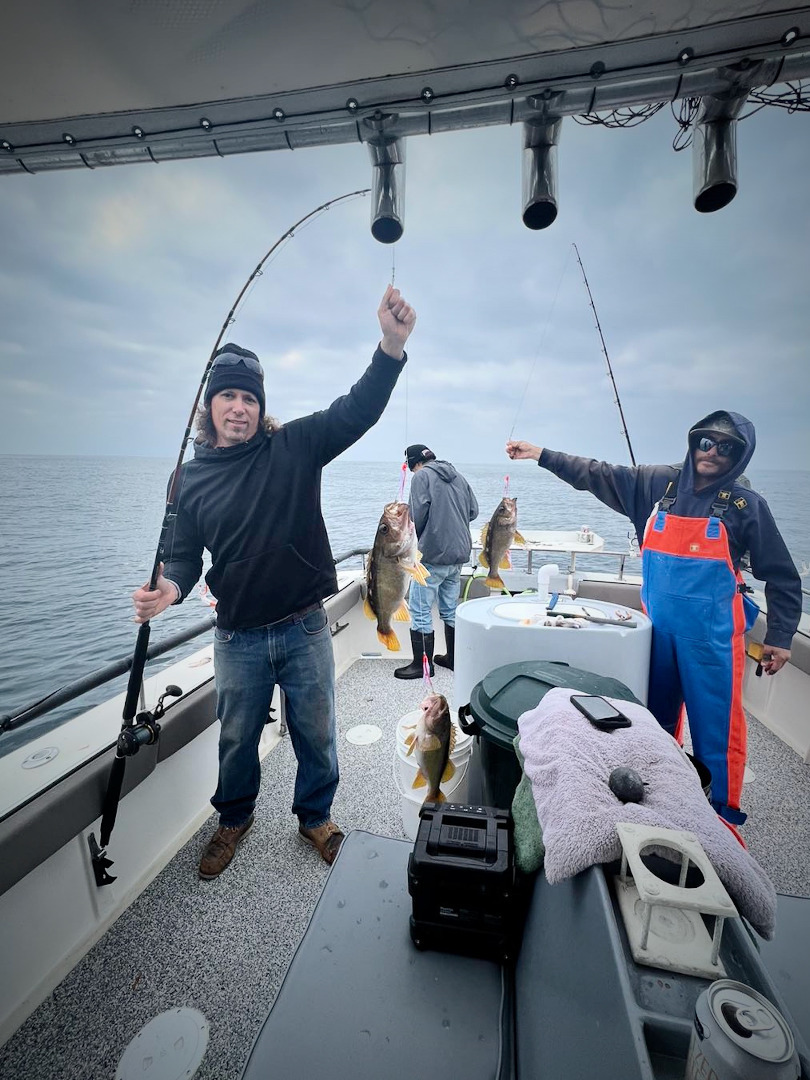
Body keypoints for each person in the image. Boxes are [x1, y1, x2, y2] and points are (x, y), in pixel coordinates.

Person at [132, 286, 416, 878]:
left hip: (305, 625)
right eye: (227, 396)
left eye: (248, 397)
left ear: (261, 406)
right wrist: (171, 591)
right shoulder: (188, 480)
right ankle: (234, 818)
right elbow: (183, 558)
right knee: (237, 740)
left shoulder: (294, 446)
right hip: (236, 638)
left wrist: (390, 345)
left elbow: (356, 408)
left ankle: (315, 817)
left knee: (317, 732)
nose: (238, 407)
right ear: (209, 408)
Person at [506, 410, 802, 827]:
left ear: (740, 456)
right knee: (653, 722)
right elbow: (596, 473)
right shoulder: (655, 484)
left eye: (726, 447)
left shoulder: (746, 506)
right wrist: (541, 454)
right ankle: (664, 798)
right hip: (657, 634)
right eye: (706, 441)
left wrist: (782, 635)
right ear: (694, 440)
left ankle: (722, 820)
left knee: (718, 733)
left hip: (712, 643)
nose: (713, 452)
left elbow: (782, 575)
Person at [394, 444, 479, 678]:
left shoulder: (422, 476)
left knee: (420, 609)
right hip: (459, 554)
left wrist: (411, 536)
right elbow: (473, 511)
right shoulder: (458, 476)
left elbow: (417, 516)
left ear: (413, 463)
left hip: (432, 555)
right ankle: (453, 658)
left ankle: (423, 666)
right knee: (450, 609)